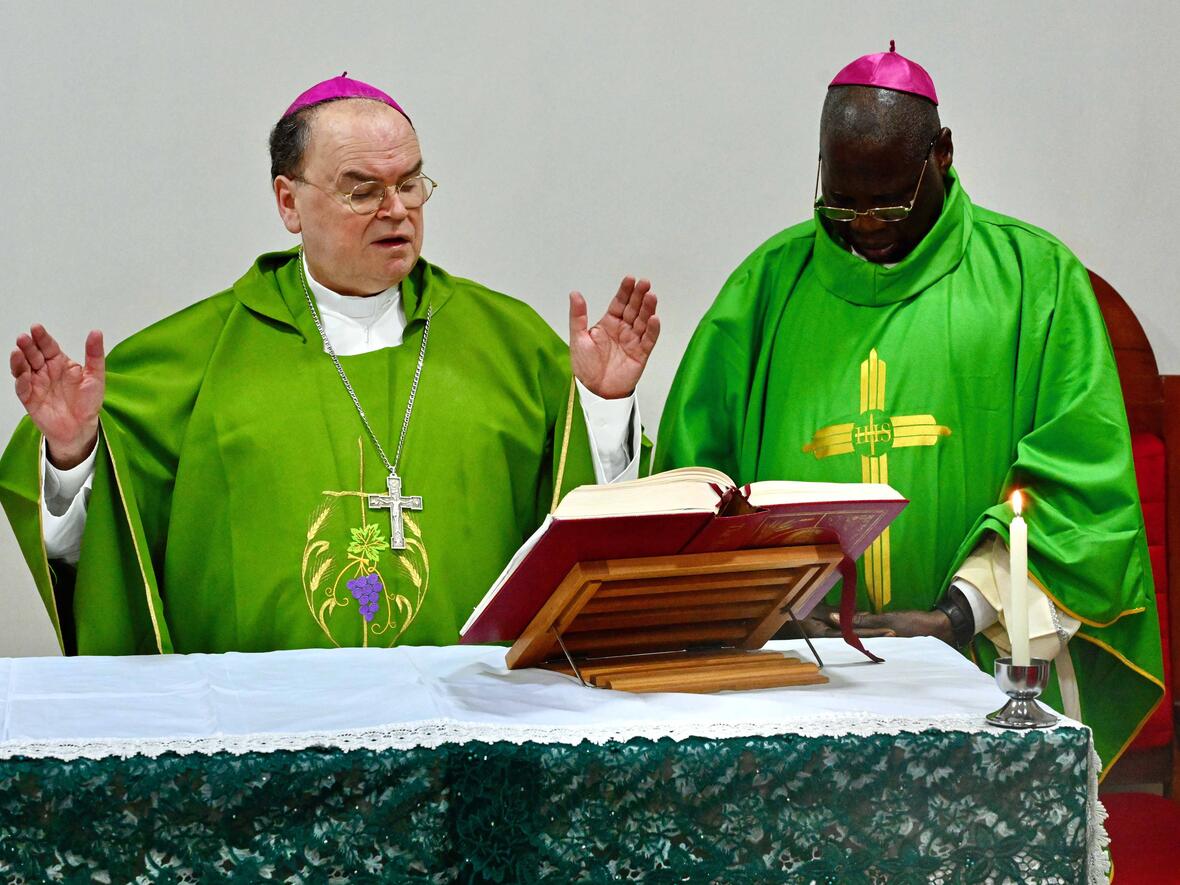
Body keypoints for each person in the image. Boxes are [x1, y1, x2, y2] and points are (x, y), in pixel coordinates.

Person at [1, 75, 659, 656]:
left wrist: (602, 407)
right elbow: (107, 568)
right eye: (362, 190)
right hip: (261, 747)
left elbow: (584, 540)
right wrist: (73, 450)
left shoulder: (510, 343)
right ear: (289, 203)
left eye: (410, 184)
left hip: (470, 733)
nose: (396, 209)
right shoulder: (197, 356)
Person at [655, 45, 1163, 772]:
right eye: (842, 200)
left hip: (975, 687)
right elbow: (689, 488)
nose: (865, 223)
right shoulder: (762, 291)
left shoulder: (1035, 281)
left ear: (942, 156)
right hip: (797, 692)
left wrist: (956, 616)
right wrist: (762, 604)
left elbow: (1083, 496)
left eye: (888, 200)